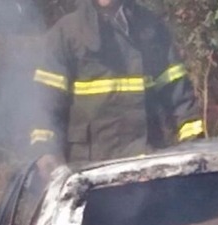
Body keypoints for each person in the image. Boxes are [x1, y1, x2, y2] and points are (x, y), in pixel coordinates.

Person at [29, 0, 204, 178]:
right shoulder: (67, 32)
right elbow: (45, 103)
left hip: (148, 168)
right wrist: (45, 150)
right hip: (87, 173)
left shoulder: (151, 29)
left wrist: (195, 148)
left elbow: (179, 98)